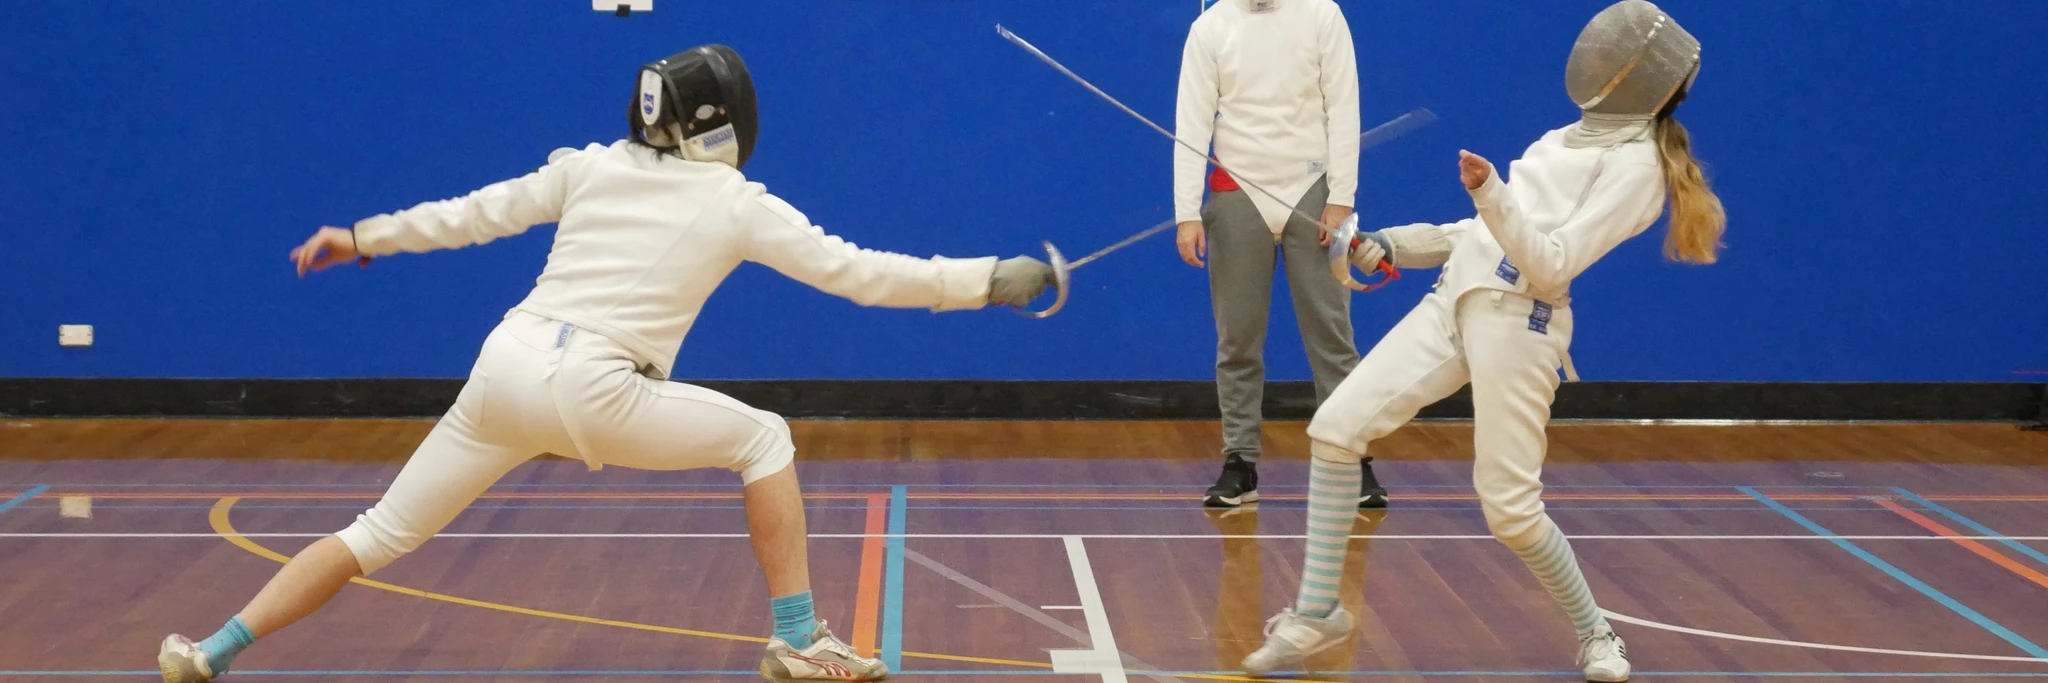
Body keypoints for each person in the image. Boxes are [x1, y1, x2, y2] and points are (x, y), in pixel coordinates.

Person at [155, 45, 1057, 683]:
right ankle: (797, 639)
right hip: (596, 385)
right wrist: (986, 280)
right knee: (766, 439)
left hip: (503, 369)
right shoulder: (735, 200)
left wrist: (362, 237)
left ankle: (212, 650)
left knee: (376, 533)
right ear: (718, 123)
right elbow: (860, 273)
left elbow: (472, 214)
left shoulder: (585, 167)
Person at [1241, 2, 1725, 681]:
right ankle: (1318, 610)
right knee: (1336, 428)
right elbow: (1479, 235)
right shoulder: (1558, 141)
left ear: (1638, 78)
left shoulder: (1638, 169)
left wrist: (1491, 192)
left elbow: (1550, 263)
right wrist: (1393, 244)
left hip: (1522, 324)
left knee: (1510, 510)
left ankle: (1597, 633)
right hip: (1453, 302)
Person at [1173, 0, 1388, 509]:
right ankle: (1240, 462)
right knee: (1237, 338)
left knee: (1331, 335)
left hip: (1312, 191)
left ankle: (1351, 459)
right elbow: (1192, 122)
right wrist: (1186, 211)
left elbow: (1344, 106)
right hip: (1237, 194)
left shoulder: (1322, 14)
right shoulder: (1210, 27)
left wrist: (1342, 196)